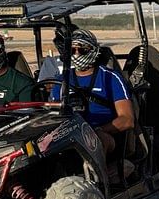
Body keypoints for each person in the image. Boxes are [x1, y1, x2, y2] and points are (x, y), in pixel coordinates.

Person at [48, 26, 135, 157]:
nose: (76, 54)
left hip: (103, 133)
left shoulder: (110, 77)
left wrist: (96, 130)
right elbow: (53, 115)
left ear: (93, 51)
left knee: (94, 140)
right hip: (69, 134)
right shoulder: (61, 80)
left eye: (82, 50)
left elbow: (127, 119)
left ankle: (98, 176)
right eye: (72, 50)